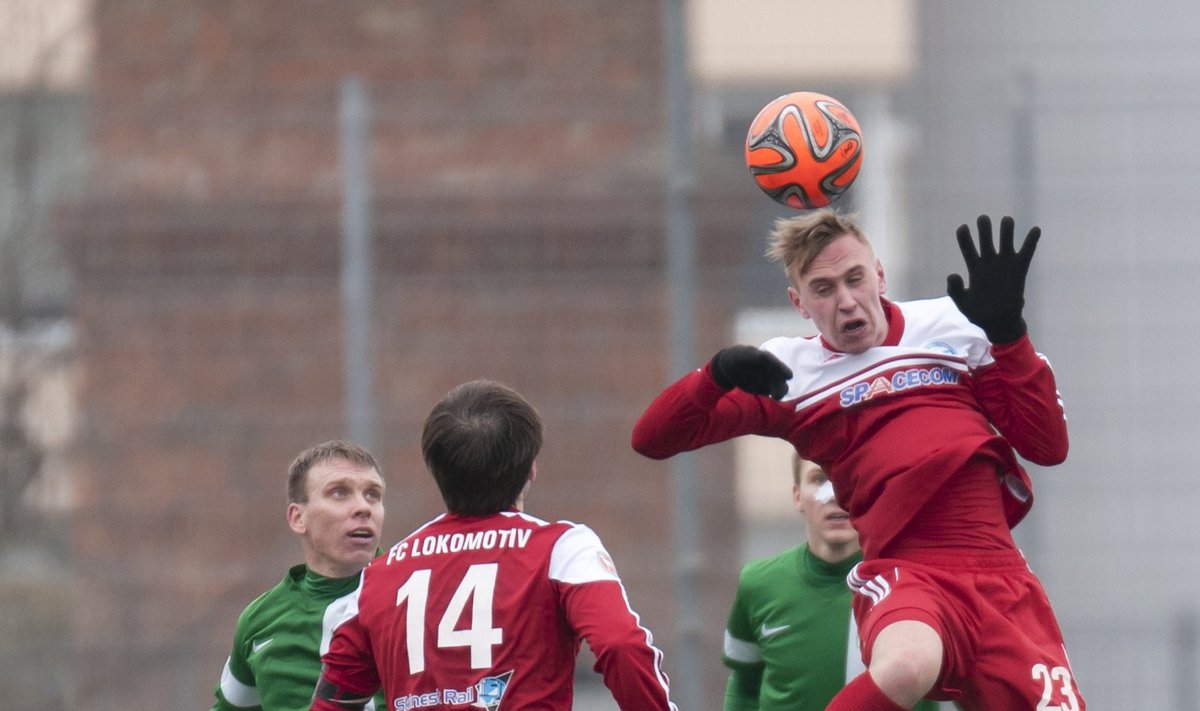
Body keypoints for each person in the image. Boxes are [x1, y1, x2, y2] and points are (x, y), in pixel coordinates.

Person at [633, 210, 1084, 710]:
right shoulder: (789, 372)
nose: (846, 301)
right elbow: (651, 438)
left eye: (855, 278)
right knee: (908, 663)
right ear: (799, 303)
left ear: (880, 276)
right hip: (910, 572)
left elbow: (1048, 446)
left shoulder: (956, 324)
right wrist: (714, 375)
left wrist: (1009, 336)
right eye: (823, 289)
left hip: (1001, 577)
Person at [311, 379, 676, 711]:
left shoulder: (379, 576)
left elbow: (335, 700)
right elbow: (620, 645)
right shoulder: (561, 549)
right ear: (530, 468)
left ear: (436, 471)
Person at [722, 455, 941, 711]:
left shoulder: (917, 583)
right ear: (797, 496)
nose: (835, 495)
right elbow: (743, 687)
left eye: (849, 479)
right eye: (819, 479)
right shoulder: (758, 583)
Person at [211, 440, 386, 711]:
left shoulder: (411, 596)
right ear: (297, 518)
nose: (364, 507)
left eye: (373, 494)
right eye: (340, 493)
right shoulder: (260, 619)